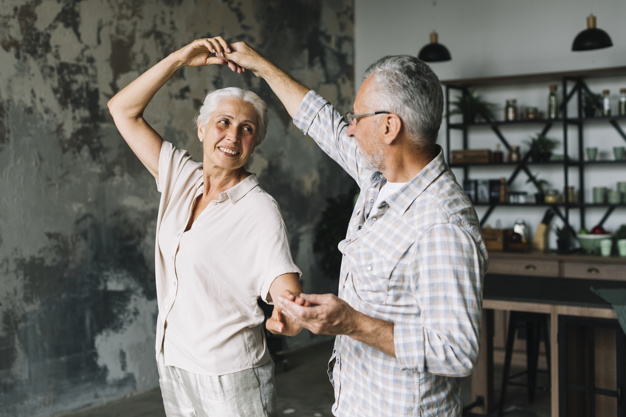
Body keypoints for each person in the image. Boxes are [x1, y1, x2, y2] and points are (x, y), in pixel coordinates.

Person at [224, 42, 488, 416]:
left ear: (389, 126)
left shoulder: (442, 225)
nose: (348, 129)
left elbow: (457, 351)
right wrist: (259, 65)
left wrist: (351, 323)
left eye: (357, 117)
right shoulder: (379, 175)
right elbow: (320, 121)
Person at [107, 37, 305, 417]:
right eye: (223, 123)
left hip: (229, 378)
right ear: (201, 130)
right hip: (175, 364)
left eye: (247, 129)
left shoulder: (259, 209)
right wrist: (179, 59)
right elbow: (122, 110)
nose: (232, 136)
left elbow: (285, 286)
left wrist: (288, 311)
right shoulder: (181, 176)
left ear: (254, 143)